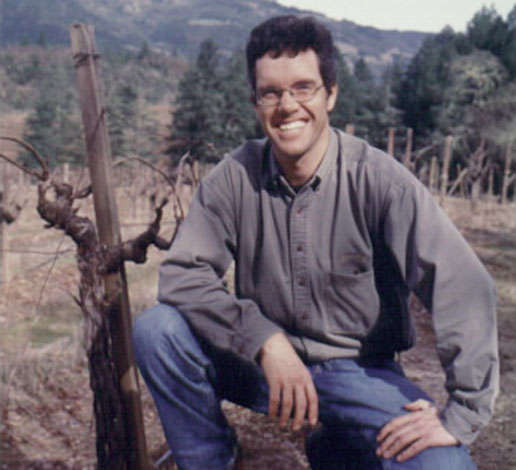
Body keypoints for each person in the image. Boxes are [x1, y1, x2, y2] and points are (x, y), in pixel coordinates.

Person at [133, 15, 498, 470]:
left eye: (303, 88)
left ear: (331, 94)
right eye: (271, 93)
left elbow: (463, 286)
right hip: (261, 367)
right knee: (158, 330)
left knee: (443, 465)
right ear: (256, 102)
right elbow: (181, 276)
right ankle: (212, 459)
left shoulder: (380, 180)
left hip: (360, 373)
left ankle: (338, 440)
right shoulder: (234, 176)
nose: (287, 106)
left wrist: (461, 412)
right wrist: (264, 339)